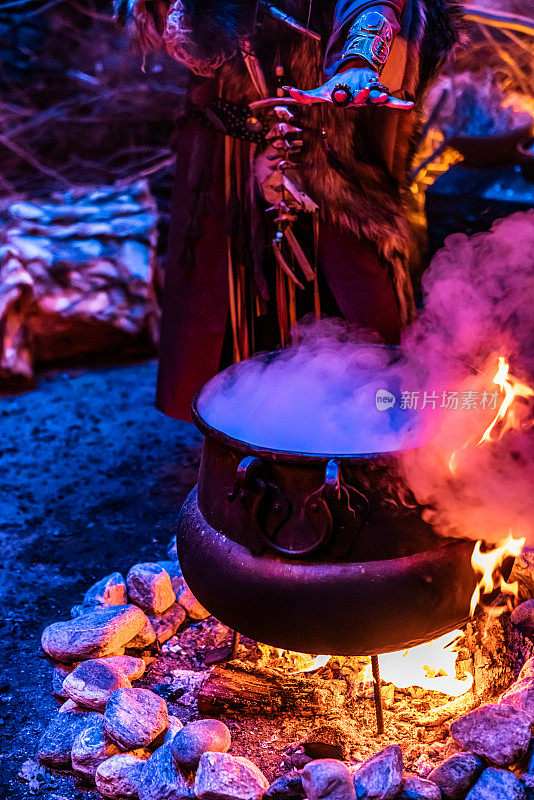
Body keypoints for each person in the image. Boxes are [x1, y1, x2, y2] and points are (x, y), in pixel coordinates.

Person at [119, 0, 462, 420]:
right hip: (226, 133)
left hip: (332, 133)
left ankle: (371, 426)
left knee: (358, 285)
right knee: (224, 299)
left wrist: (360, 56)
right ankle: (240, 427)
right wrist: (180, 14)